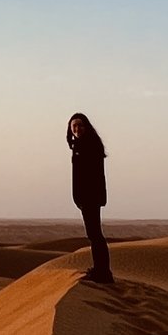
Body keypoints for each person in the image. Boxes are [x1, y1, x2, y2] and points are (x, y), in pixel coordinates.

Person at [67, 111, 113, 284]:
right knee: (94, 234)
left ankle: (103, 272)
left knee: (95, 235)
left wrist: (86, 197)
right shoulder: (81, 145)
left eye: (80, 125)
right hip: (87, 198)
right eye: (74, 126)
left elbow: (92, 176)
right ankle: (100, 269)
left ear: (86, 127)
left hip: (90, 197)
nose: (77, 129)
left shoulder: (88, 146)